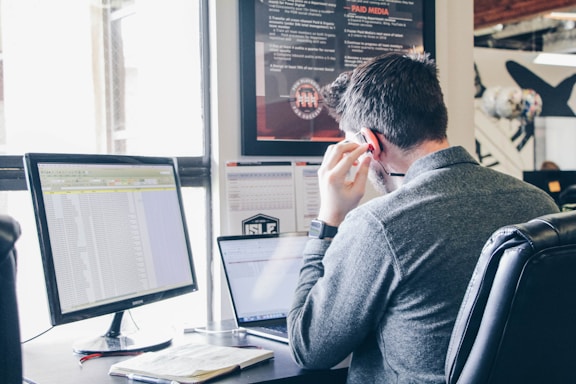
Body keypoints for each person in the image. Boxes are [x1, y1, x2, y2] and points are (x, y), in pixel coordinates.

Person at [287, 52, 560, 383]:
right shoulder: (540, 204)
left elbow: (309, 348)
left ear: (369, 144)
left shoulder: (379, 225)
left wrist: (327, 221)